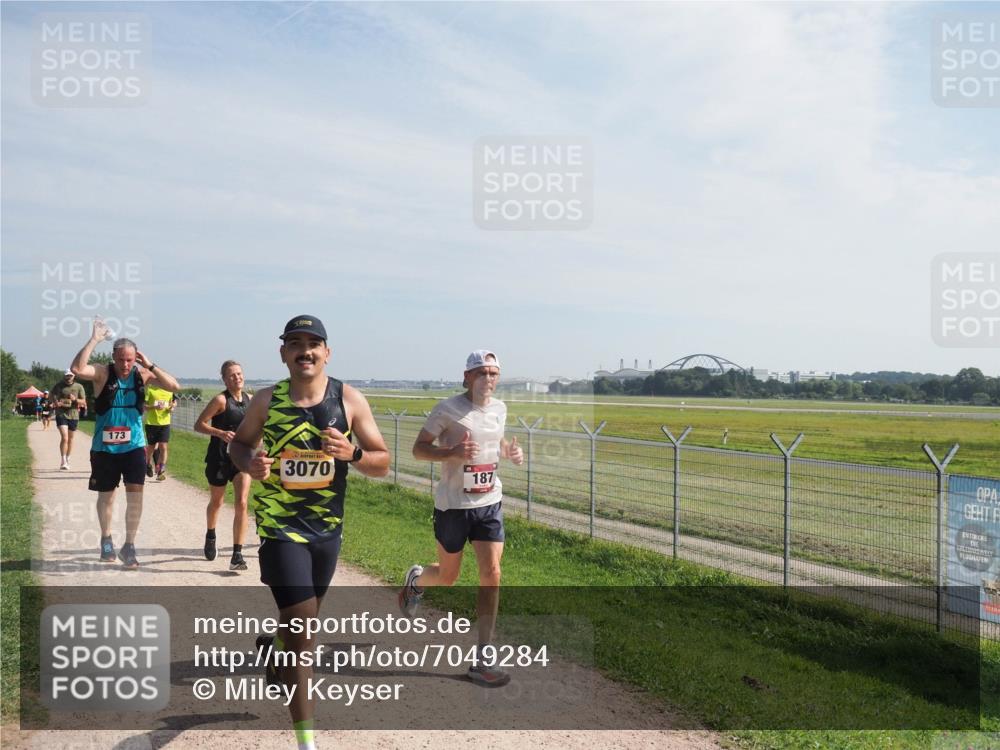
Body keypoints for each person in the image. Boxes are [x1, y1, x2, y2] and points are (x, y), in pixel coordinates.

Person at [230, 315, 390, 750]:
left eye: (313, 343)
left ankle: (272, 649)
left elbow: (382, 461)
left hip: (326, 531)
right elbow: (239, 444)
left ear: (327, 352)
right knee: (304, 632)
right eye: (295, 343)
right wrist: (251, 464)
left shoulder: (348, 399)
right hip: (281, 527)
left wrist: (352, 452)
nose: (305, 351)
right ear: (283, 353)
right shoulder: (266, 400)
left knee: (301, 622)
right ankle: (306, 742)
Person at [399, 349, 523, 687]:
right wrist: (450, 452)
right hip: (453, 506)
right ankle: (417, 580)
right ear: (467, 377)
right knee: (449, 577)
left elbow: (493, 444)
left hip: (489, 502)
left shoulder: (499, 408)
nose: (488, 379)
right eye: (481, 372)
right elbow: (418, 448)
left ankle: (483, 655)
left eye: (494, 373)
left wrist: (509, 452)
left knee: (492, 572)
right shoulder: (447, 409)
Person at [70, 319, 180, 569]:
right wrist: (94, 339)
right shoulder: (102, 373)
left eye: (130, 359)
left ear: (136, 358)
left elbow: (174, 386)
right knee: (107, 497)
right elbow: (77, 368)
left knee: (135, 498)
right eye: (121, 360)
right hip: (105, 448)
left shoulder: (143, 374)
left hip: (134, 447)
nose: (126, 365)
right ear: (114, 357)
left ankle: (129, 545)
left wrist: (149, 363)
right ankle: (106, 539)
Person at [195, 360, 252, 572]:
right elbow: (199, 425)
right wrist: (220, 433)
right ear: (225, 379)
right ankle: (211, 535)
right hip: (219, 458)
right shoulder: (220, 400)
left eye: (239, 373)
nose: (236, 378)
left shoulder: (250, 400)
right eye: (231, 375)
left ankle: (237, 554)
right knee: (217, 502)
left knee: (242, 503)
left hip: (241, 460)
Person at [50, 369, 87, 470]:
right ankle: (63, 461)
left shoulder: (79, 386)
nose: (68, 377)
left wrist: (75, 399)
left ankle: (68, 458)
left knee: (70, 439)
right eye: (67, 375)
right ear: (64, 376)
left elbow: (83, 402)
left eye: (70, 375)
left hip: (74, 415)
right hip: (61, 414)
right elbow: (51, 395)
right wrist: (55, 402)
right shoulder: (59, 385)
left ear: (74, 376)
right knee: (65, 437)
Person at [144, 383, 178, 481]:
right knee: (151, 447)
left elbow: (174, 401)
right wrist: (154, 407)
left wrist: (172, 406)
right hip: (151, 423)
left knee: (163, 447)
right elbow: (144, 406)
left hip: (165, 423)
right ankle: (147, 464)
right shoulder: (150, 390)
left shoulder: (169, 390)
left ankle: (160, 470)